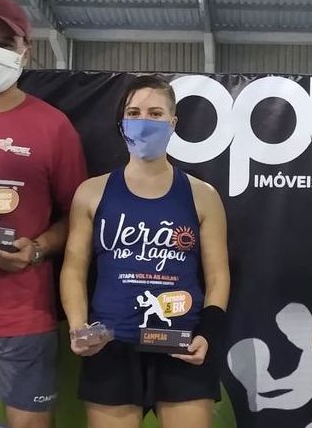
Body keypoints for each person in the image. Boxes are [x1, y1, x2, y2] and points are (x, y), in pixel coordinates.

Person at [0, 0, 87, 428]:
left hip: (24, 316)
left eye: (6, 42)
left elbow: (79, 214)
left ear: (26, 51)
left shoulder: (53, 126)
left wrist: (37, 249)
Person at [60, 75, 230, 428]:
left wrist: (207, 334)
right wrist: (78, 327)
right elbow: (74, 269)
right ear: (122, 122)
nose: (144, 120)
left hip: (181, 346)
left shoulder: (203, 195)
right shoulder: (91, 192)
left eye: (155, 113)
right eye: (134, 112)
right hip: (110, 344)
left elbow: (218, 276)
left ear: (173, 122)